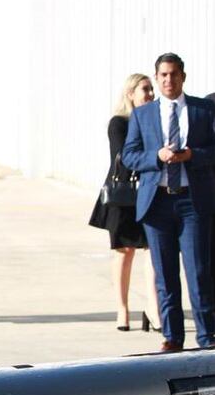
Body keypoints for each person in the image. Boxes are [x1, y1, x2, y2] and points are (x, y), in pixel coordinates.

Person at [122, 53, 215, 351]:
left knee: (199, 272)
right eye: (162, 75)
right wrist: (156, 157)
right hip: (158, 203)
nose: (168, 80)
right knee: (165, 275)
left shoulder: (203, 110)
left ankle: (206, 338)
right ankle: (173, 338)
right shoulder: (143, 115)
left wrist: (192, 156)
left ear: (183, 77)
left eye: (174, 74)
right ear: (157, 76)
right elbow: (130, 155)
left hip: (192, 203)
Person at [88, 74, 160, 331]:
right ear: (130, 93)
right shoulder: (119, 123)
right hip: (123, 194)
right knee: (124, 252)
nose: (150, 94)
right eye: (145, 89)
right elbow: (125, 156)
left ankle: (153, 308)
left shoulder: (156, 120)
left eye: (152, 89)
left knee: (153, 251)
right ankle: (123, 308)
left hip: (150, 192)